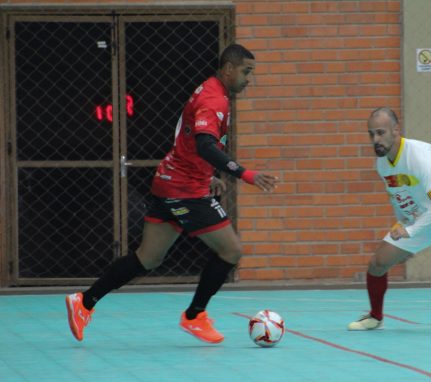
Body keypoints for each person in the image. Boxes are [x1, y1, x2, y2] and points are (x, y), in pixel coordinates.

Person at [66, 43, 278, 344]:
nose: (248, 80)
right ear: (229, 68)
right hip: (184, 190)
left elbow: (194, 142)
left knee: (147, 258)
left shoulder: (210, 89)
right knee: (231, 250)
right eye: (246, 72)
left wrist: (209, 174)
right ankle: (194, 316)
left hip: (171, 181)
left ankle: (83, 302)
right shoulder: (214, 99)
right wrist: (245, 174)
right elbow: (206, 145)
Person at [348, 107, 431, 333]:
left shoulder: (420, 154)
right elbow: (399, 199)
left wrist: (411, 231)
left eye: (380, 133)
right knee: (378, 264)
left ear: (396, 131)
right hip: (420, 216)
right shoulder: (382, 164)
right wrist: (402, 225)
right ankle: (375, 316)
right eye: (371, 134)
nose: (375, 139)